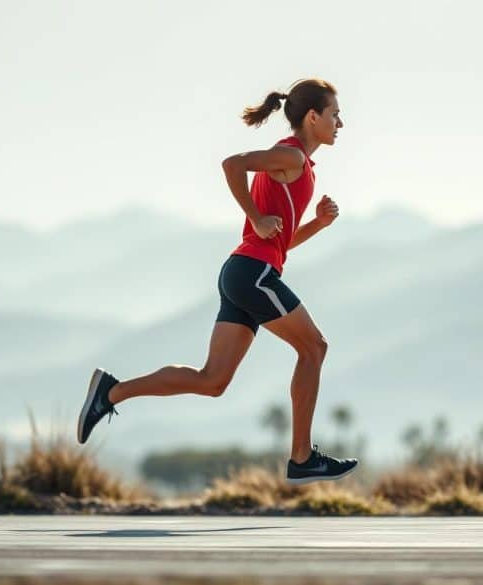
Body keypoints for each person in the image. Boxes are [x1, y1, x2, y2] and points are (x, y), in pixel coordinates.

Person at [77, 78, 358, 485]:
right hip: (251, 273)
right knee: (314, 348)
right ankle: (301, 457)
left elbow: (281, 243)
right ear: (312, 117)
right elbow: (232, 164)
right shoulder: (291, 156)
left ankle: (110, 393)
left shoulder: (297, 165)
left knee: (212, 381)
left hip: (245, 272)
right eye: (335, 114)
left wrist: (317, 222)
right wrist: (256, 217)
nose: (340, 123)